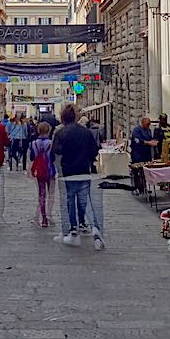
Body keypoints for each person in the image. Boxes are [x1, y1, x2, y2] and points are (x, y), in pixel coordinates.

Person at [52, 105, 102, 249]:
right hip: (84, 170)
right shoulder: (86, 132)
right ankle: (95, 230)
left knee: (70, 201)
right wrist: (87, 159)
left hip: (68, 172)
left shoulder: (61, 133)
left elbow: (55, 150)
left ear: (63, 117)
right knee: (84, 201)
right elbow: (95, 149)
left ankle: (73, 231)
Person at [29, 122, 56, 227]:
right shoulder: (51, 143)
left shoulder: (34, 143)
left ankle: (43, 217)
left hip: (39, 171)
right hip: (50, 170)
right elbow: (53, 158)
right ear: (48, 131)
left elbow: (32, 157)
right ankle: (49, 214)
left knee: (41, 194)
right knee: (51, 194)